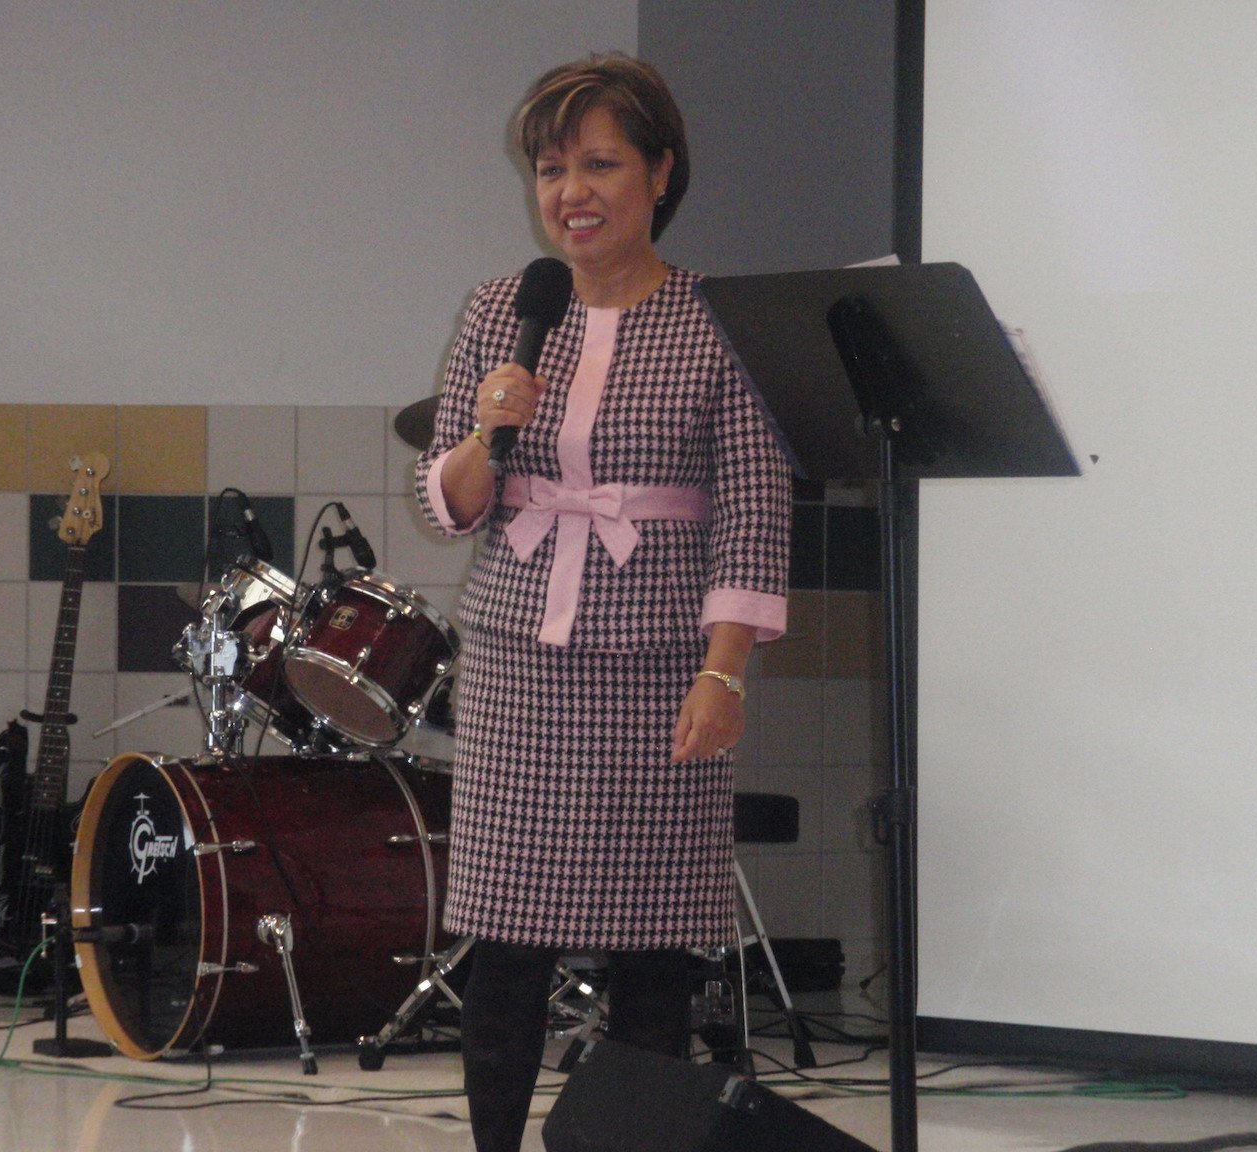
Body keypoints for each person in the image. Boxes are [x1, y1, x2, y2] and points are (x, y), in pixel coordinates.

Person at [414, 53, 791, 1152]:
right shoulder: (502, 311)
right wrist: (487, 429)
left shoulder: (721, 323)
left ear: (661, 174)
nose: (572, 192)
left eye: (600, 164)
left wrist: (724, 674)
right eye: (551, 170)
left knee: (652, 948)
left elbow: (753, 513)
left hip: (660, 666)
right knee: (505, 939)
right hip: (518, 659)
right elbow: (450, 504)